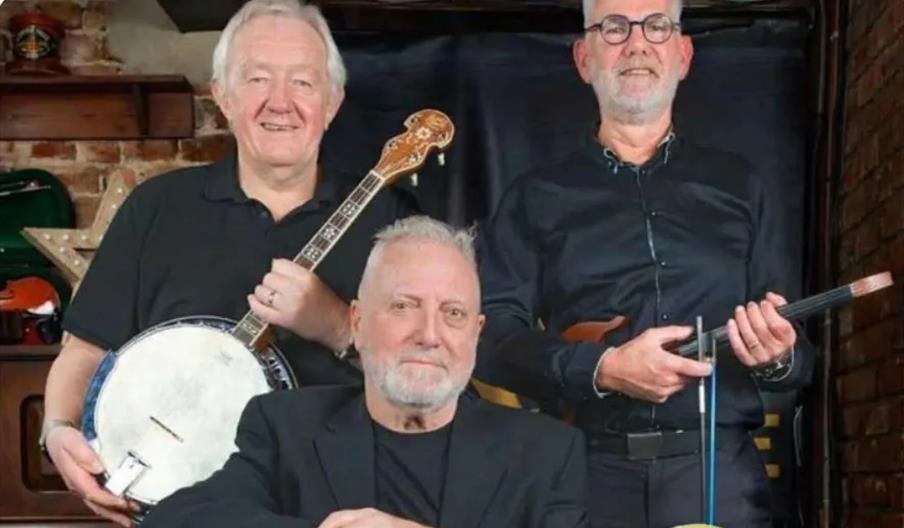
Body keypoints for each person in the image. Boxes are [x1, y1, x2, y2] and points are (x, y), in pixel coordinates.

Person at [39, 1, 416, 525]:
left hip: (347, 509)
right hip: (187, 513)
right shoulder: (156, 209)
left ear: (332, 102)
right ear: (223, 96)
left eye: (303, 83)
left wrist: (333, 324)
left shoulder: (393, 223)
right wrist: (58, 431)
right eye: (257, 78)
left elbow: (431, 380)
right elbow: (84, 351)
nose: (279, 102)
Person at [476, 0, 814, 526]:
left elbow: (798, 358)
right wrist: (603, 369)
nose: (636, 43)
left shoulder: (741, 186)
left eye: (657, 26)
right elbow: (489, 339)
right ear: (584, 59)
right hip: (586, 473)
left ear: (682, 54)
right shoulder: (534, 197)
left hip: (720, 475)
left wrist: (776, 355)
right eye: (613, 27)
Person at [139, 215, 589, 528]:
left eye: (453, 313)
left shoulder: (546, 452)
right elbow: (175, 520)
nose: (429, 334)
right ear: (357, 321)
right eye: (403, 307)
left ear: (475, 332)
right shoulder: (285, 427)